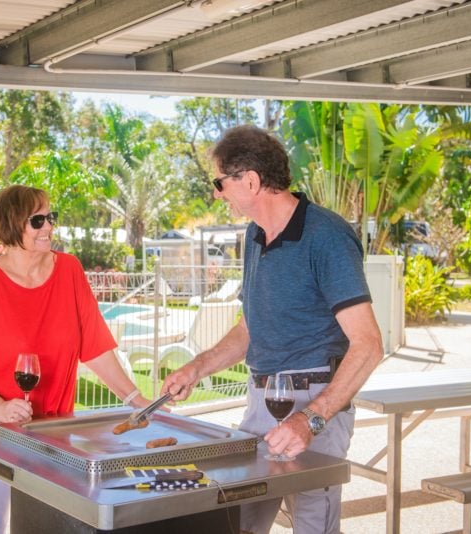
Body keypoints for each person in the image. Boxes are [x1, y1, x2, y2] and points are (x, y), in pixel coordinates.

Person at [161, 125, 383, 534]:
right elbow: (249, 328)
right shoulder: (254, 235)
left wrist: (311, 420)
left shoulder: (327, 236)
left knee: (314, 528)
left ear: (250, 181)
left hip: (315, 403)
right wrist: (196, 367)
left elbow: (368, 345)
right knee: (237, 523)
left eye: (219, 182)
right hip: (261, 401)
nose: (217, 194)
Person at [0, 185, 149, 533]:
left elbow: (95, 347)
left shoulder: (69, 270)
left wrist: (136, 399)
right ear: (12, 225)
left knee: (45, 524)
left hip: (49, 432)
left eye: (50, 217)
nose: (49, 226)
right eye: (37, 221)